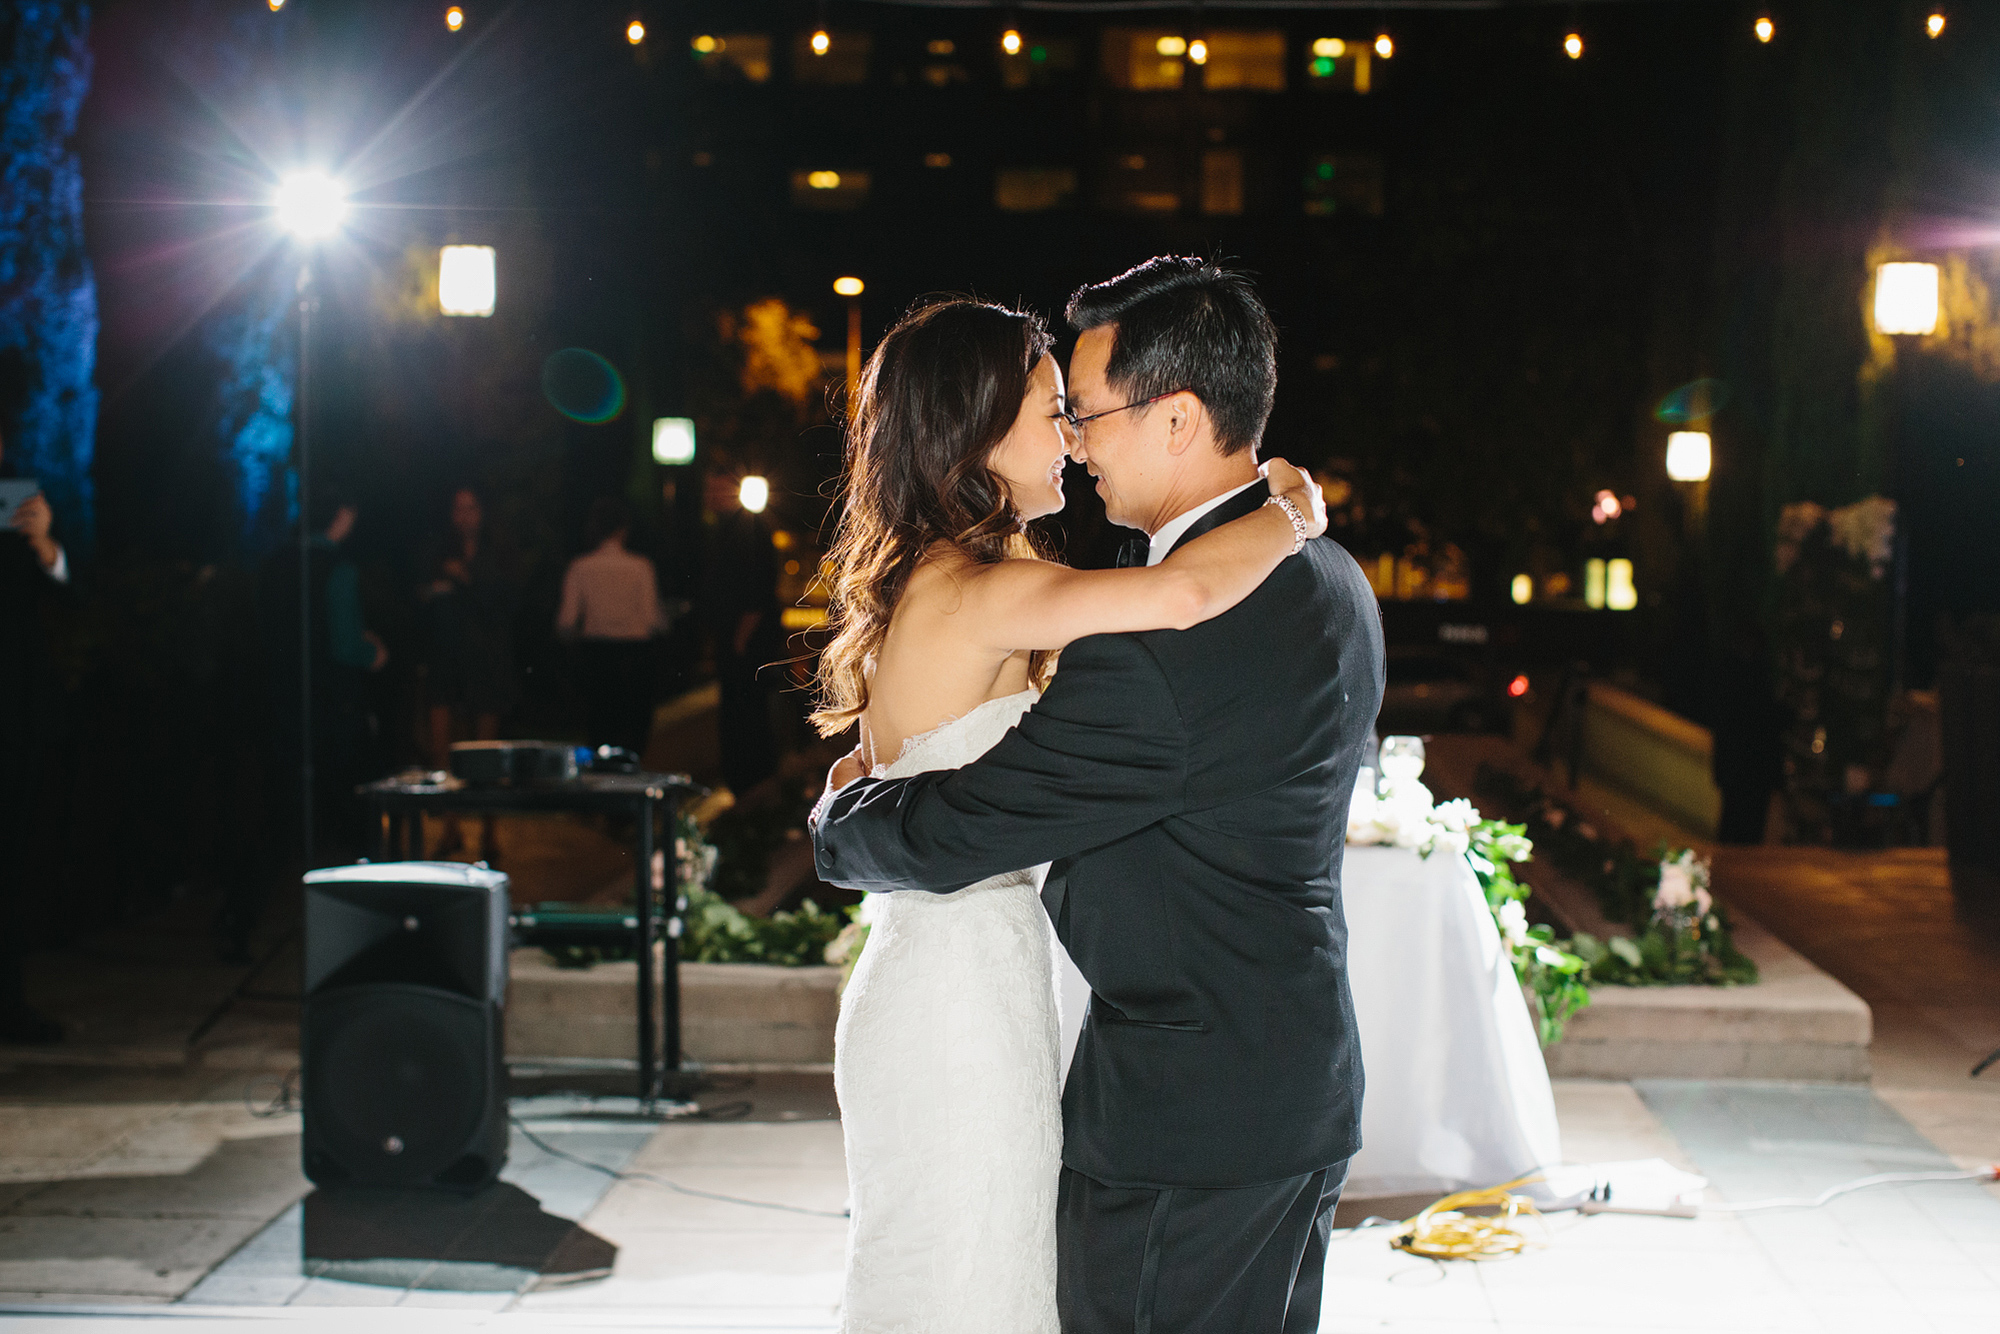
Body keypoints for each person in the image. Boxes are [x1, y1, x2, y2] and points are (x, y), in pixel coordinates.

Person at [806, 289, 1337, 1334]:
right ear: (972, 428)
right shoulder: (982, 586)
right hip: (958, 995)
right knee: (968, 1276)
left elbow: (882, 772)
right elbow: (1181, 598)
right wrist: (1290, 514)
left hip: (964, 968)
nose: (1069, 438)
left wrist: (846, 813)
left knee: (971, 1269)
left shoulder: (960, 574)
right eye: (1050, 410)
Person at [0, 426, 74, 1043]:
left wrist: (45, 544)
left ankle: (9, 1003)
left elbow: (61, 596)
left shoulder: (18, 513)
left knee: (11, 860)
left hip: (14, 714)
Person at [420, 485, 519, 858]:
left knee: (485, 752)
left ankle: (489, 831)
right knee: (442, 747)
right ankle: (450, 827)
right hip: (447, 658)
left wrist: (468, 577)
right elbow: (422, 595)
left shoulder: (499, 552)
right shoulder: (437, 550)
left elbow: (507, 600)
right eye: (458, 508)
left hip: (487, 661)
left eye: (471, 508)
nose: (464, 516)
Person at [557, 496, 666, 756]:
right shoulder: (641, 567)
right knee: (633, 734)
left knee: (600, 731)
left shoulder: (580, 567)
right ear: (623, 529)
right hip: (635, 657)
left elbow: (565, 623)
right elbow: (652, 619)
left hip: (596, 657)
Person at [701, 468, 783, 797]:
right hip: (744, 638)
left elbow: (755, 591)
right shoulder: (732, 529)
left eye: (715, 491)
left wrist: (740, 639)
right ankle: (750, 781)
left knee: (744, 712)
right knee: (744, 711)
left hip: (747, 642)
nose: (708, 498)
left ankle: (751, 782)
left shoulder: (745, 530)